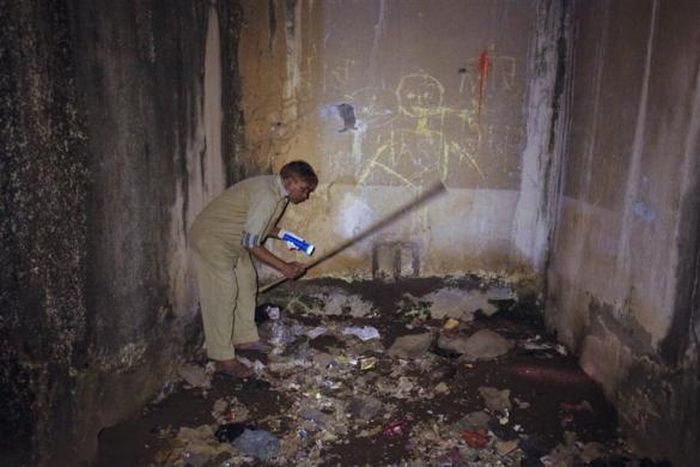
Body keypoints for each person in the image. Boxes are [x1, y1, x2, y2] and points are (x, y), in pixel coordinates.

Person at [190, 160, 318, 378]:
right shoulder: (267, 196)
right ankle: (222, 357)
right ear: (290, 181)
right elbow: (252, 243)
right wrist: (285, 268)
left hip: (234, 241)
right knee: (224, 293)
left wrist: (291, 238)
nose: (306, 195)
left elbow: (263, 226)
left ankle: (245, 337)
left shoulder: (277, 193)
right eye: (304, 189)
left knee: (248, 281)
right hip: (213, 239)